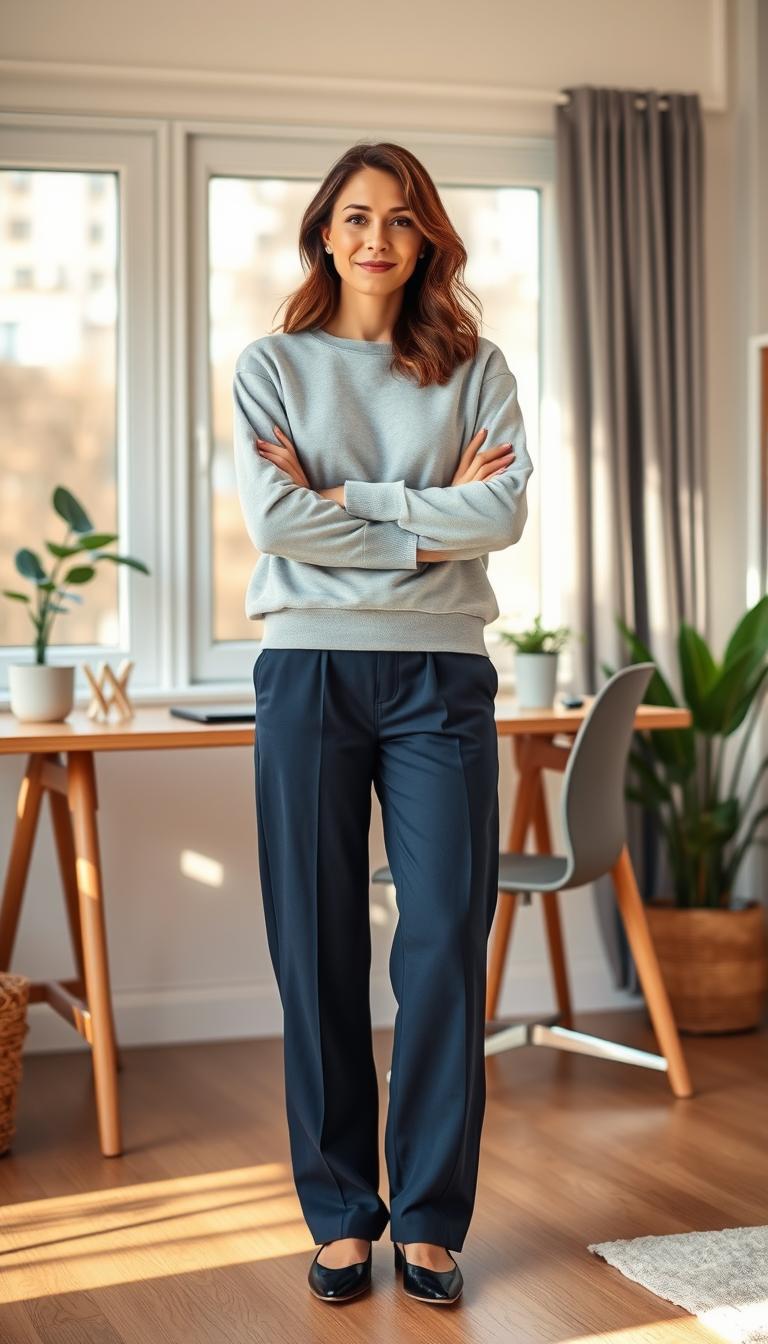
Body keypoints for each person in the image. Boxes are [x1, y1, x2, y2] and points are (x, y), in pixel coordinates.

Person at [233, 141, 533, 1305]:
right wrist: (425, 511)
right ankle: (343, 1214)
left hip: (444, 675)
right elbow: (273, 523)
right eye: (355, 217)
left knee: (448, 938)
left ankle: (433, 1217)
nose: (375, 238)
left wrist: (340, 500)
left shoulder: (477, 367)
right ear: (323, 232)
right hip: (308, 668)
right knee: (316, 948)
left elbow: (500, 511)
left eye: (401, 221)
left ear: (426, 242)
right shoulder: (274, 364)